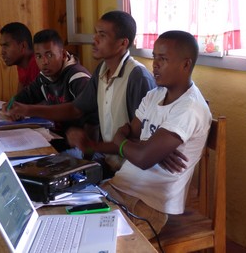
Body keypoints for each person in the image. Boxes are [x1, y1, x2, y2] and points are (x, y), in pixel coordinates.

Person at [66, 30, 212, 239]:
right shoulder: (155, 95)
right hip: (118, 187)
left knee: (94, 242)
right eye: (154, 57)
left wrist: (129, 142)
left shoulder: (189, 109)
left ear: (186, 64)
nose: (155, 64)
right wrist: (94, 146)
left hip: (147, 204)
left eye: (163, 59)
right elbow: (132, 140)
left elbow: (142, 158)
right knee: (64, 224)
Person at [4, 11, 156, 175]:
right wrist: (25, 108)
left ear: (122, 43)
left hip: (132, 171)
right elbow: (76, 108)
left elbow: (144, 139)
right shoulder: (102, 70)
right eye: (95, 33)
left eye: (102, 35)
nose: (94, 40)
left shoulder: (137, 77)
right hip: (109, 162)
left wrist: (89, 146)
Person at [2, 29, 99, 151]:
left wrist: (88, 149)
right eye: (38, 56)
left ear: (63, 55)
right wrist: (11, 105)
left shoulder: (78, 78)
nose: (44, 62)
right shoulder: (43, 77)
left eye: (49, 55)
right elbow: (26, 95)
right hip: (58, 137)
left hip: (81, 146)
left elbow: (89, 114)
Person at [0, 22, 39, 92]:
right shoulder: (21, 62)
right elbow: (20, 95)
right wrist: (13, 102)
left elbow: (49, 101)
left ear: (23, 46)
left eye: (6, 45)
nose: (2, 52)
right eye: (2, 46)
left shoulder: (39, 63)